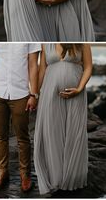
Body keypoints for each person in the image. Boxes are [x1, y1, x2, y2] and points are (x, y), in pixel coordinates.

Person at [34, 44, 92, 195]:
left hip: (76, 95)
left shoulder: (81, 42)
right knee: (52, 133)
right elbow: (42, 70)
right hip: (49, 92)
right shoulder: (45, 41)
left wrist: (79, 88)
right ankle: (56, 177)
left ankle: (72, 176)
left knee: (74, 132)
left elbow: (88, 67)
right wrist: (34, 95)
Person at [0, 43, 41, 192]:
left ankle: (25, 176)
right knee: (0, 136)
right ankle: (2, 173)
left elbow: (33, 65)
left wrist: (33, 94)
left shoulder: (31, 36)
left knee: (22, 137)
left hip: (21, 94)